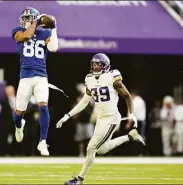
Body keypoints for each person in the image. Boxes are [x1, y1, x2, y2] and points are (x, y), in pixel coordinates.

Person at [56, 53, 145, 185]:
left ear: (105, 66)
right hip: (101, 118)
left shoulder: (112, 77)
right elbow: (84, 101)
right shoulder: (89, 79)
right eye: (93, 63)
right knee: (101, 150)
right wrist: (67, 115)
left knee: (91, 147)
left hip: (112, 119)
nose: (95, 66)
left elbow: (127, 95)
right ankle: (130, 137)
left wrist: (131, 114)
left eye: (98, 64)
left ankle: (79, 179)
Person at [11, 7, 58, 156]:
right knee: (18, 113)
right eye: (25, 18)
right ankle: (19, 126)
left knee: (43, 106)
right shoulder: (18, 31)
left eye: (29, 17)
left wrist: (54, 28)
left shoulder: (44, 33)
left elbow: (54, 48)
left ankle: (43, 142)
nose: (26, 20)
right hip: (25, 77)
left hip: (41, 76)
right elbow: (26, 37)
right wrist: (36, 22)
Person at [74, 83, 94, 157]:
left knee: (90, 139)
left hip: (88, 122)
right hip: (80, 121)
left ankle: (89, 153)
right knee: (80, 139)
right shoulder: (78, 99)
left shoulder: (91, 99)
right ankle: (81, 153)